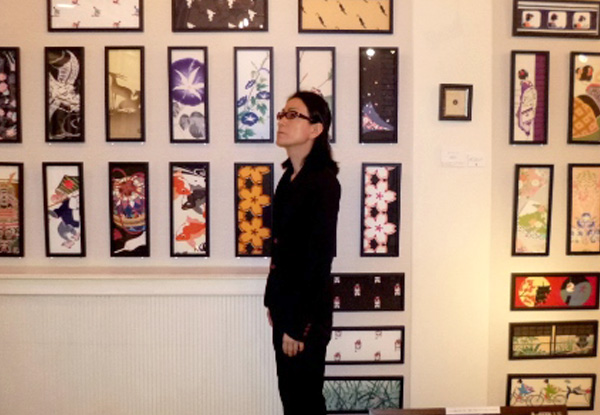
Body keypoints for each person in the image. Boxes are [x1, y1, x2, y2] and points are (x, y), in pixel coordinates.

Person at [264, 91, 341, 415]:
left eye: (293, 114)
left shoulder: (323, 183)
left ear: (316, 128)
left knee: (304, 403)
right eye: (282, 113)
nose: (282, 120)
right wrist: (273, 301)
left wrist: (296, 325)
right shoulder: (288, 179)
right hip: (286, 308)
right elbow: (282, 250)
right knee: (292, 400)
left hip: (305, 316)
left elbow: (318, 259)